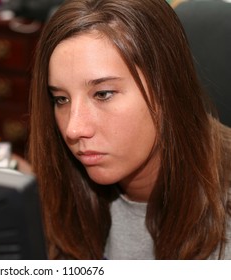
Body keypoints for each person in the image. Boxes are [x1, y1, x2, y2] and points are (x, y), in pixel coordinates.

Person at [27, 0, 231, 259]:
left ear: (167, 88)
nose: (73, 128)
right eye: (61, 99)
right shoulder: (67, 189)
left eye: (103, 94)